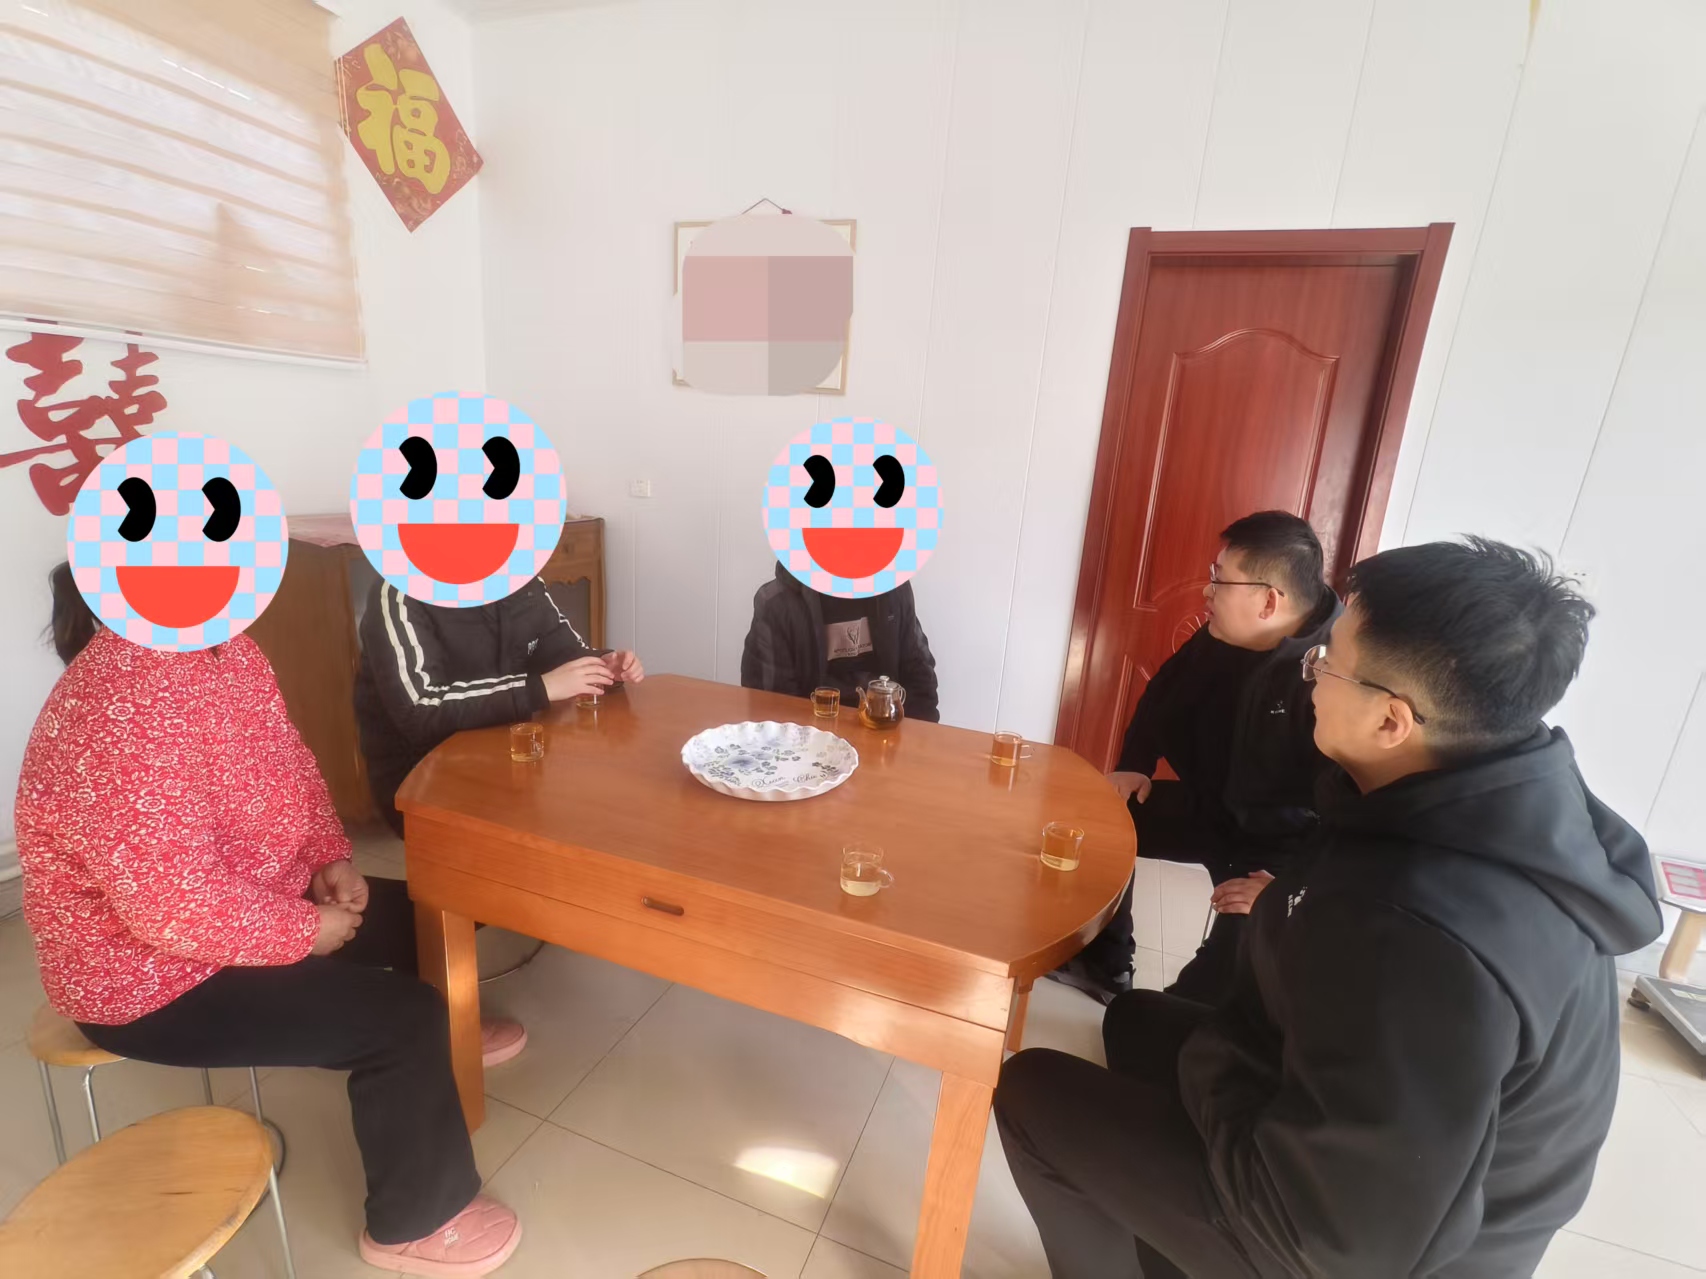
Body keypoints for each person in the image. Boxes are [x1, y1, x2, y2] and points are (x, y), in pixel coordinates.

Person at [994, 537, 1663, 1279]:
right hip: (1353, 1137)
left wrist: (1219, 1062)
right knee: (1135, 1021)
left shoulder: (1427, 940)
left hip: (1365, 1244)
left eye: (1325, 663)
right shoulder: (1497, 783)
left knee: (1032, 1091)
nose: (1308, 677)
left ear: (1391, 720)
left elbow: (1333, 1240)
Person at [16, 564, 526, 1275]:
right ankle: (414, 1223)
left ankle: (454, 1024)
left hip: (254, 904)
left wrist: (327, 860)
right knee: (401, 1020)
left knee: (437, 912)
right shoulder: (115, 707)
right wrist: (303, 932)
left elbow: (289, 766)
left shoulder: (228, 648)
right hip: (150, 980)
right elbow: (170, 905)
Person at [1058, 512, 1338, 1005]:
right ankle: (1105, 964)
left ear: (1269, 601)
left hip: (1279, 847)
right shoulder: (1223, 633)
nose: (1207, 591)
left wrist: (1291, 888)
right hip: (1210, 806)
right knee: (1093, 814)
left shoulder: (1331, 675)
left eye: (1220, 580)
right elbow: (1162, 695)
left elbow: (1353, 812)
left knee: (1186, 1011)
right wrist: (1136, 764)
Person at [355, 575, 646, 835]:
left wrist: (605, 665)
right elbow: (420, 710)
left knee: (596, 813)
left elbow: (565, 652)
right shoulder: (400, 591)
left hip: (511, 752)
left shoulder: (520, 578)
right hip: (424, 774)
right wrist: (540, 688)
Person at [740, 563, 940, 721]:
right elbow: (773, 705)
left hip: (886, 734)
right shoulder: (777, 604)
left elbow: (920, 680)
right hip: (807, 741)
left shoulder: (894, 591)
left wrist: (915, 746)